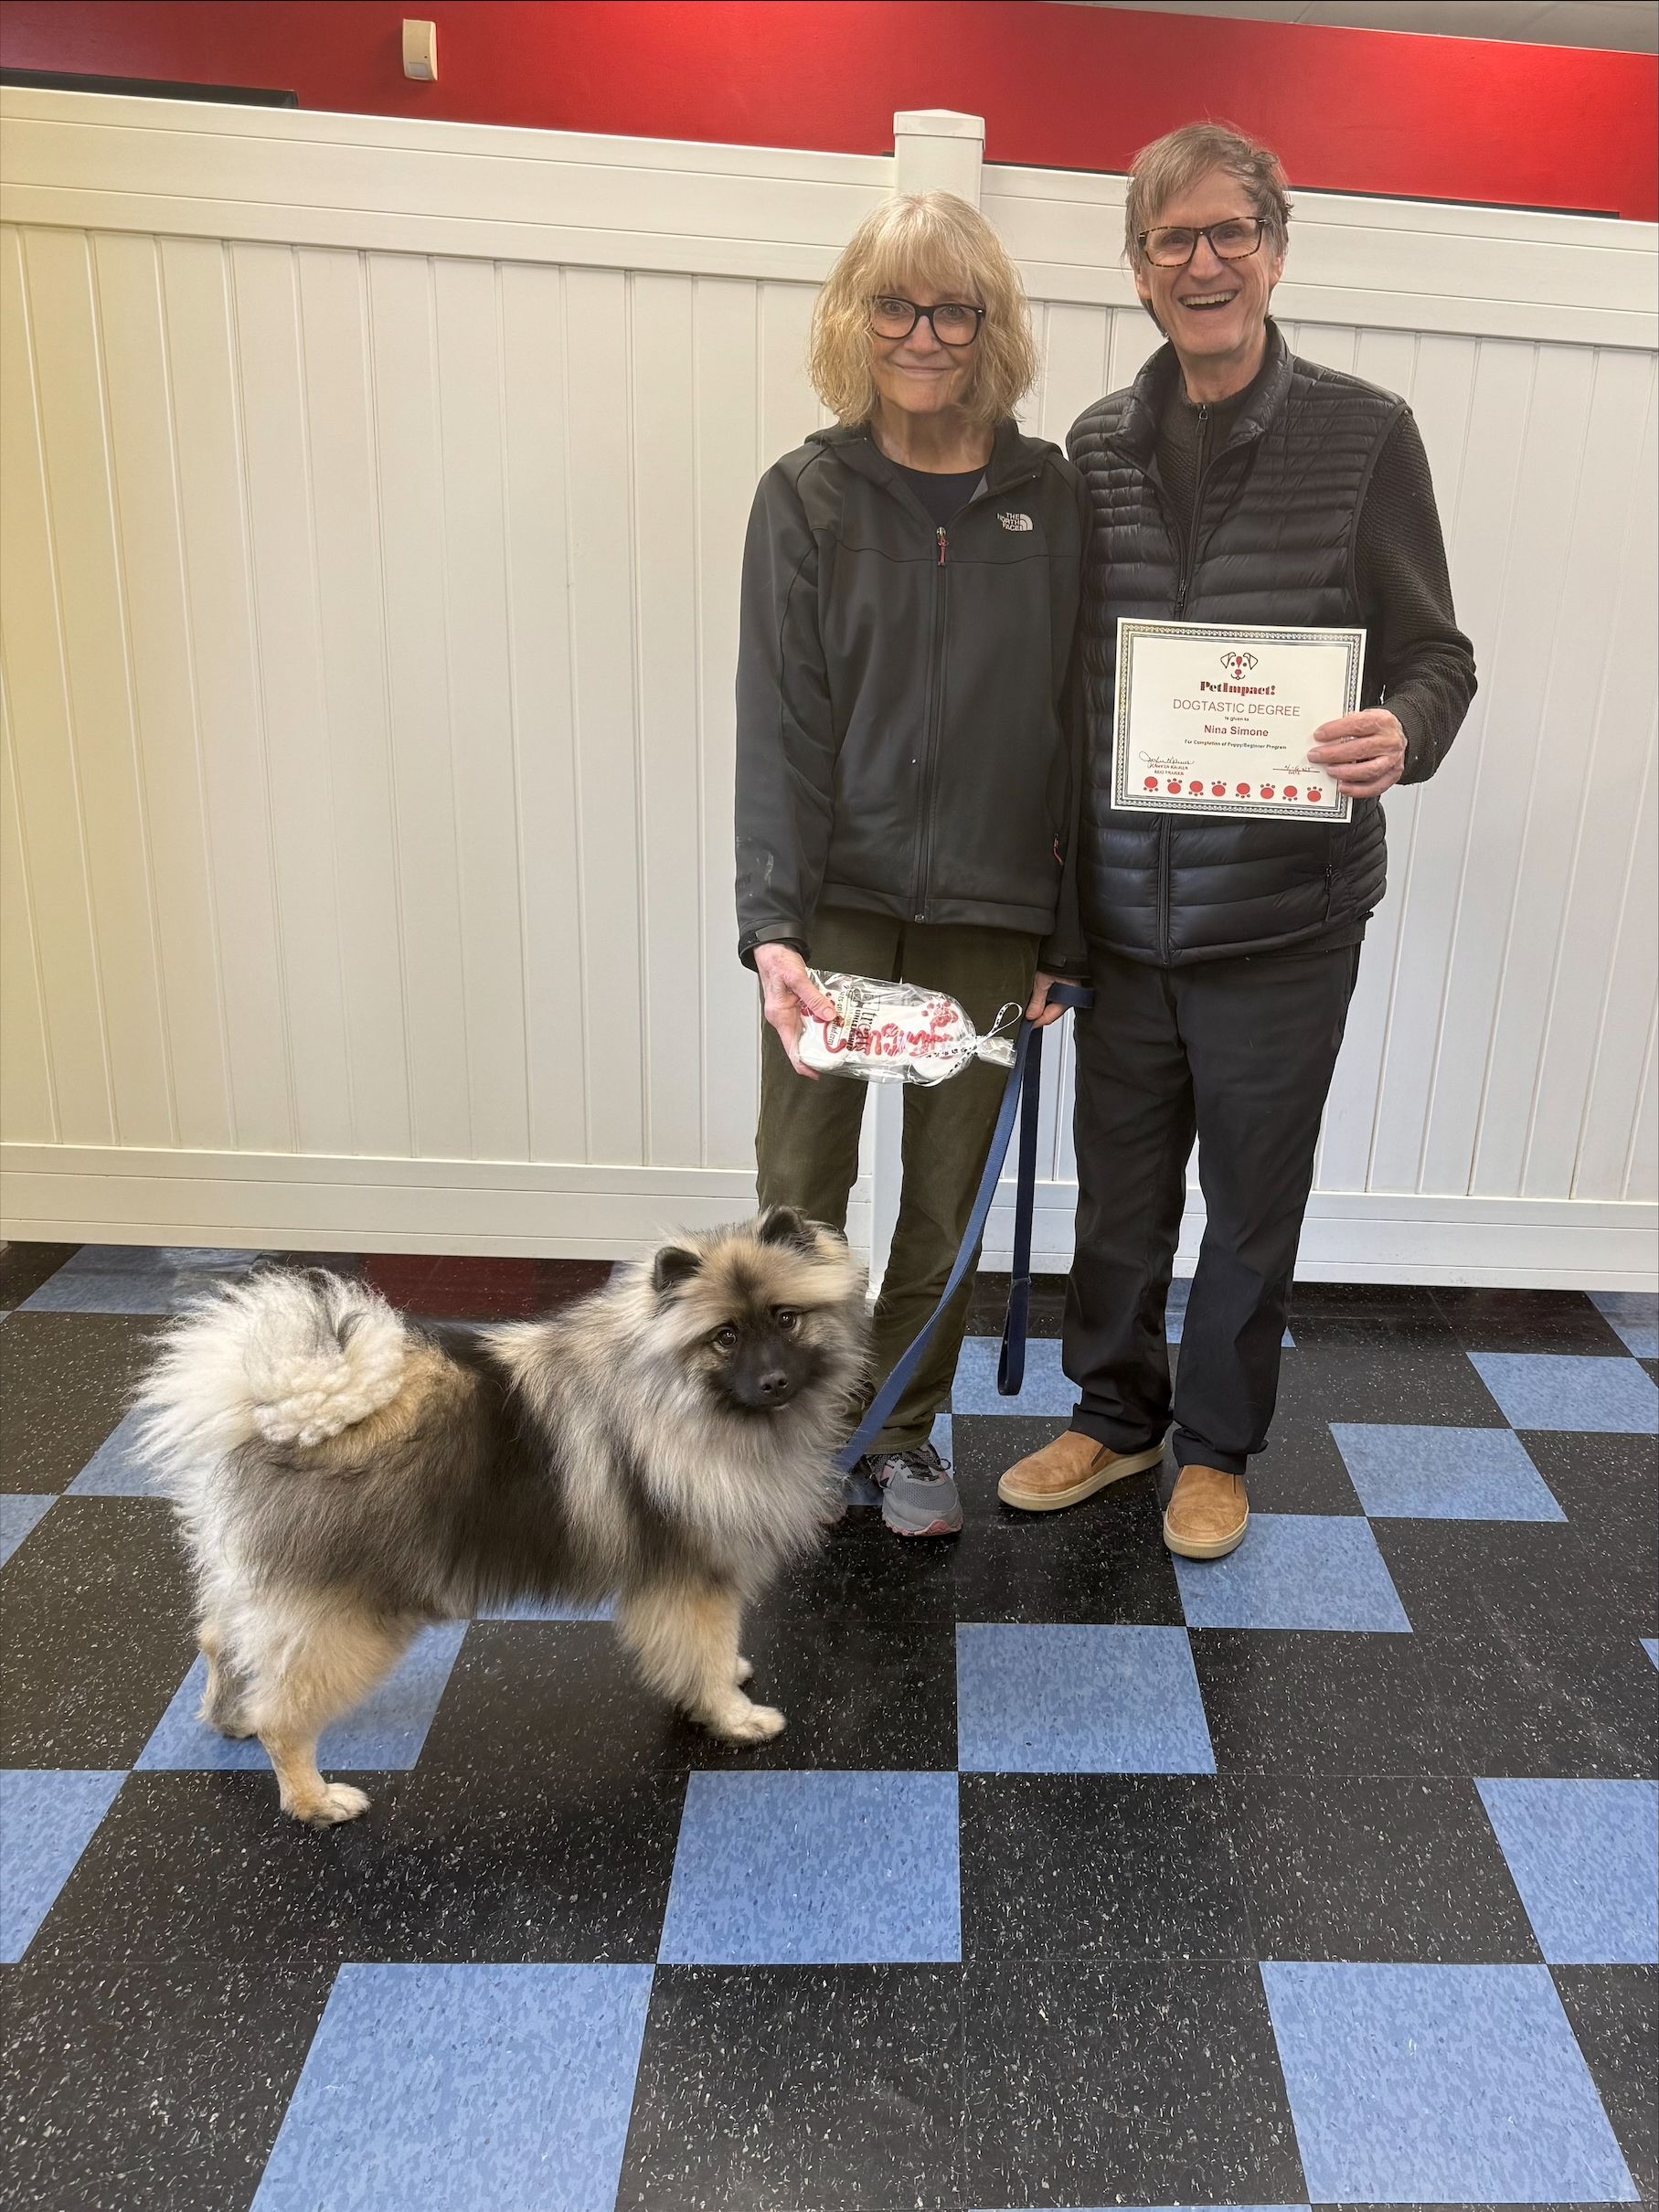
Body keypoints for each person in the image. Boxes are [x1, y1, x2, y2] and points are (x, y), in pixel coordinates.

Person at [998, 123, 1476, 1558]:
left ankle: (1218, 1448)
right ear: (1138, 271)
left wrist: (1404, 731)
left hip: (1286, 912)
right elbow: (1069, 687)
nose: (1203, 263)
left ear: (1276, 245)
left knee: (1251, 1208)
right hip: (1128, 925)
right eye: (1171, 241)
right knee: (1121, 1204)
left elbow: (1435, 656)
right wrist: (1052, 916)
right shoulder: (1096, 445)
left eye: (1229, 233)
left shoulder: (1365, 431)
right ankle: (1116, 1418)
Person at [736, 190, 1089, 1537]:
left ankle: (901, 1434)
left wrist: (1068, 932)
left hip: (994, 920)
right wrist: (771, 926)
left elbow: (1076, 713)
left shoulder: (1048, 495)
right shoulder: (808, 495)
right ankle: (780, 1436)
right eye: (896, 304)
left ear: (989, 329)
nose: (924, 333)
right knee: (800, 1192)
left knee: (944, 1196)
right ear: (855, 320)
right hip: (831, 912)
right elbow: (777, 717)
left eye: (954, 308)